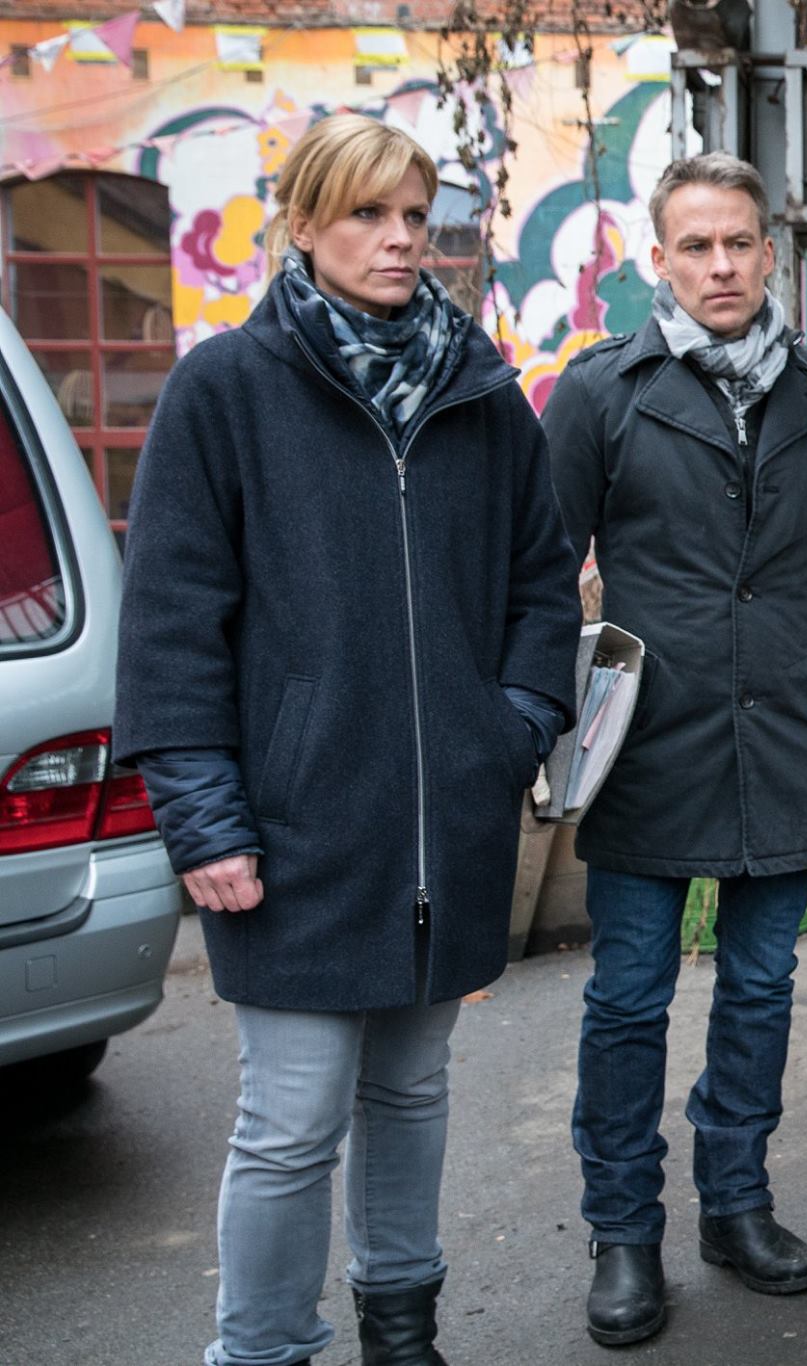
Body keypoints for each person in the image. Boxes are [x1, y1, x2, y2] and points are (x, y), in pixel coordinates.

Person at [114, 112, 581, 1366]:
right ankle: (262, 1349)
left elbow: (544, 585)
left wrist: (515, 727)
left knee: (411, 1089)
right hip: (291, 831)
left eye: (414, 217)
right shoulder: (224, 389)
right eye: (370, 214)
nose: (398, 239)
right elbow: (169, 628)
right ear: (306, 224)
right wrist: (202, 821)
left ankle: (400, 1324)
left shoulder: (478, 391)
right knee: (288, 1119)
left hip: (444, 820)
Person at [542, 153, 807, 1348]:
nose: (720, 264)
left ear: (772, 255)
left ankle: (736, 1203)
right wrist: (529, 725)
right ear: (658, 258)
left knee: (761, 990)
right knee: (629, 998)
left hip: (785, 740)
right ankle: (621, 1231)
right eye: (695, 245)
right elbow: (539, 573)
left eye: (739, 243)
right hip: (649, 748)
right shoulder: (600, 392)